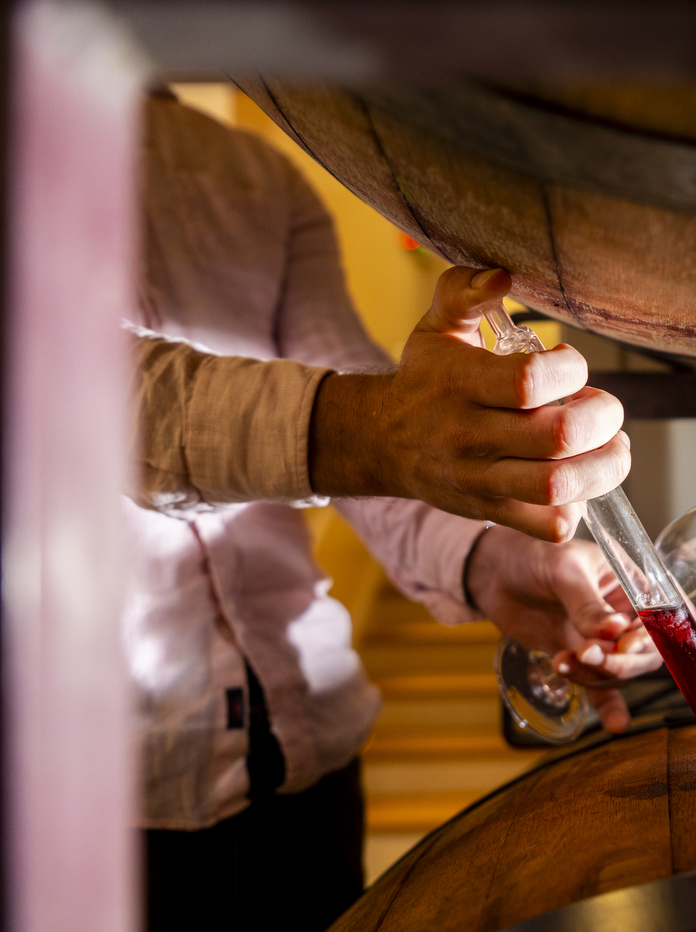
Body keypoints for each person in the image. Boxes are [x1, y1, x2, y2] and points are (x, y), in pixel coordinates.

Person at [129, 91, 659, 931]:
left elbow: (351, 401)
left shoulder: (251, 171)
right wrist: (381, 431)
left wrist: (492, 562)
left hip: (309, 741)